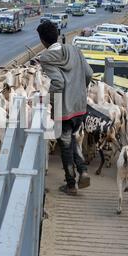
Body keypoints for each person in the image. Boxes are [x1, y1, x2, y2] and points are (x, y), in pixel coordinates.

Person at [36, 21, 93, 196]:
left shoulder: (46, 58)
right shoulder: (75, 50)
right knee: (71, 139)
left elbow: (58, 83)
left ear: (42, 40)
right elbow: (89, 74)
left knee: (65, 144)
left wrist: (48, 99)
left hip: (64, 108)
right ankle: (83, 171)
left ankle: (70, 184)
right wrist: (79, 93)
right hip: (80, 106)